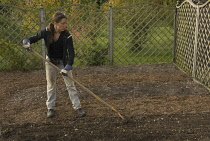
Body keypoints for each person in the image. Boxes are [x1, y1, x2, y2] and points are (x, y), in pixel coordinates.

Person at [23, 11, 86, 118]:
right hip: (50, 61)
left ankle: (77, 107)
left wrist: (68, 67)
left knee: (70, 85)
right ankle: (50, 108)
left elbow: (71, 53)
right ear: (55, 23)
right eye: (63, 23)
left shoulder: (67, 35)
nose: (65, 25)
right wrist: (26, 42)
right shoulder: (46, 32)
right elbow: (31, 39)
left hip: (63, 62)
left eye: (66, 23)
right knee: (51, 84)